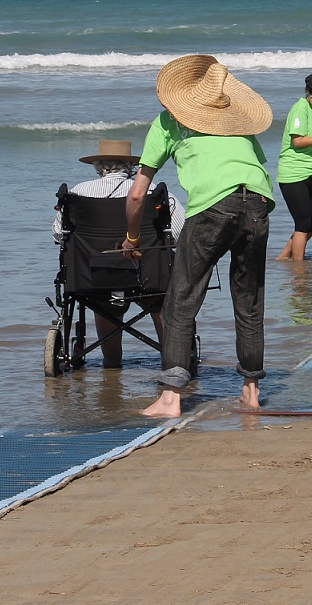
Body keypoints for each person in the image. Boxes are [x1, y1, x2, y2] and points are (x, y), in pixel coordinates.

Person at [124, 55, 275, 418]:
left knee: (182, 298)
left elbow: (137, 193)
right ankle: (251, 391)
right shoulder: (239, 127)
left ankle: (171, 397)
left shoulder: (167, 122)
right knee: (249, 298)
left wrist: (131, 237)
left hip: (212, 206)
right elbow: (252, 167)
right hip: (257, 203)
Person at [52, 139, 185, 367]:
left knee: (104, 301)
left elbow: (59, 235)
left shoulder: (77, 193)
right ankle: (173, 359)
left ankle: (112, 361)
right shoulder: (156, 193)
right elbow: (178, 233)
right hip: (150, 275)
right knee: (160, 299)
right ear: (131, 166)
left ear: (98, 165)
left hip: (95, 277)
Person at [276, 73, 312, 261]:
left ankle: (283, 258)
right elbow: (298, 141)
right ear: (306, 91)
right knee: (302, 223)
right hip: (293, 174)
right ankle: (299, 268)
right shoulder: (300, 108)